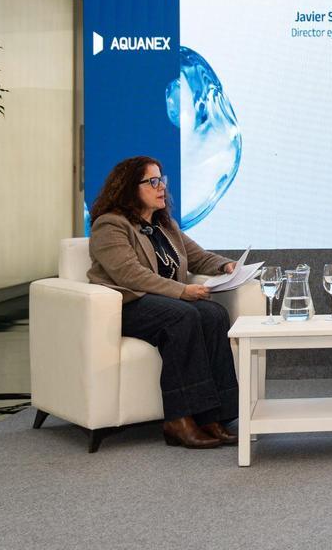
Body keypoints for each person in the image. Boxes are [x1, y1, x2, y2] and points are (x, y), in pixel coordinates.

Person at [87, 156, 240, 449]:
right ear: (130, 188)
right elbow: (131, 275)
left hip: (164, 304)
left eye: (162, 180)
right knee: (183, 316)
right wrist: (183, 292)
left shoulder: (163, 224)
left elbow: (197, 257)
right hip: (128, 306)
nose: (161, 188)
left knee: (214, 314)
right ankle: (178, 420)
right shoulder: (110, 226)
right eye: (152, 181)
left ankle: (214, 415)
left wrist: (227, 267)